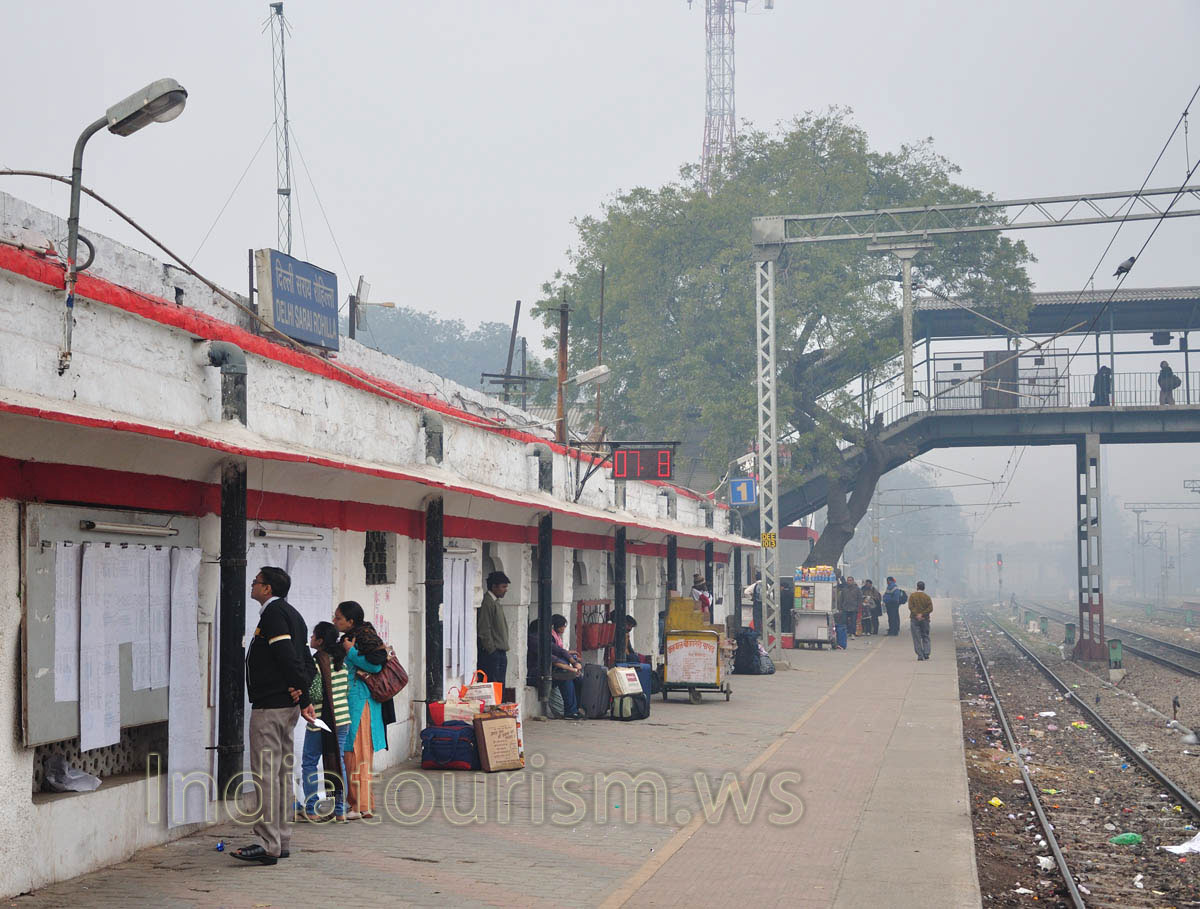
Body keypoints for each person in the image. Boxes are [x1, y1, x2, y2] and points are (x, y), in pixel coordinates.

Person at [231, 567, 316, 866]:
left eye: (256, 582)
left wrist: (302, 692)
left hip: (270, 708)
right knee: (281, 773)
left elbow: (287, 657)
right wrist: (303, 696)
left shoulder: (273, 615)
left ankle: (268, 843)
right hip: (286, 706)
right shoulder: (293, 614)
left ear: (267, 589)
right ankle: (282, 838)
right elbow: (305, 659)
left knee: (266, 775)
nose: (252, 585)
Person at [332, 601, 387, 820]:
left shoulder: (359, 639)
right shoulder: (354, 637)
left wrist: (351, 652)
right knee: (353, 754)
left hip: (361, 702)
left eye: (338, 618)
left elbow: (375, 665)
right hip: (355, 702)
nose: (335, 621)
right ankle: (361, 804)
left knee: (356, 753)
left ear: (350, 621)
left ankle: (360, 806)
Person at [298, 622, 350, 823]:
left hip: (320, 721)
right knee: (337, 762)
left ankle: (310, 809)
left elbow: (315, 694)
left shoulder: (316, 663)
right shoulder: (342, 663)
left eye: (313, 636)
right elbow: (344, 691)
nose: (310, 639)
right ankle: (339, 810)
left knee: (310, 762)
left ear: (320, 641)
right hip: (342, 720)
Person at [527, 618, 582, 718]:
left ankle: (574, 709)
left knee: (575, 678)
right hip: (535, 675)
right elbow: (550, 658)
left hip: (546, 671)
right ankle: (570, 711)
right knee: (566, 677)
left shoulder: (542, 639)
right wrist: (570, 668)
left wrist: (574, 663)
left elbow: (560, 651)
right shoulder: (534, 640)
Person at [477, 570, 511, 687]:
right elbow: (484, 629)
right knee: (493, 686)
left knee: (499, 686)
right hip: (492, 653)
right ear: (494, 586)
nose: (506, 589)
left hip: (499, 652)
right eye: (503, 586)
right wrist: (492, 650)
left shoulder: (495, 602)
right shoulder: (487, 602)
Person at [908, 581, 933, 661]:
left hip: (914, 619)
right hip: (925, 619)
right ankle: (926, 653)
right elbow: (930, 608)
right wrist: (922, 614)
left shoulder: (912, 596)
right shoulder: (927, 597)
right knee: (925, 636)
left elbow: (911, 607)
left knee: (917, 638)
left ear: (917, 587)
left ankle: (920, 655)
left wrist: (917, 614)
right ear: (924, 588)